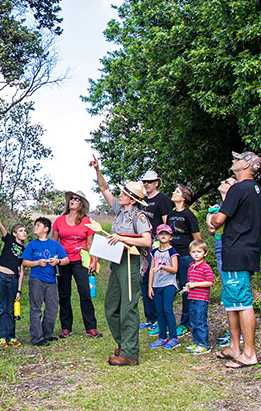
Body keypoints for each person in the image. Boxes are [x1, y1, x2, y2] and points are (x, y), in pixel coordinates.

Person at [91, 156, 152, 366]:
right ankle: (124, 344)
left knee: (128, 308)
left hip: (131, 263)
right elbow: (104, 189)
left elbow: (146, 240)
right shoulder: (118, 210)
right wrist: (98, 170)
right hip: (116, 262)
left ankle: (130, 353)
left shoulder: (139, 216)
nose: (120, 195)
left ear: (133, 199)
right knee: (110, 307)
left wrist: (122, 238)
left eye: (125, 193)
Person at [210, 151, 261, 369]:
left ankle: (249, 353)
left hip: (236, 250)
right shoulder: (257, 190)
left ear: (246, 165)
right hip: (249, 249)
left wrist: (213, 219)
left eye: (237, 159)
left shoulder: (238, 188)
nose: (233, 161)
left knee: (243, 301)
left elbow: (218, 220)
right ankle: (234, 346)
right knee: (232, 301)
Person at [51, 190, 101, 338]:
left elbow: (91, 243)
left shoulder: (87, 221)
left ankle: (91, 327)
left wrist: (94, 260)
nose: (72, 201)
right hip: (63, 260)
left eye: (77, 199)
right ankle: (66, 327)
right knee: (64, 294)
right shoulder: (59, 220)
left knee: (85, 292)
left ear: (82, 204)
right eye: (71, 199)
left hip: (80, 260)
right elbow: (54, 241)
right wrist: (52, 260)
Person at [21, 216, 69, 346]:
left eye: (38, 225)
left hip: (51, 281)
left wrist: (57, 261)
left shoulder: (55, 245)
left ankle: (46, 335)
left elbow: (66, 260)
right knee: (36, 309)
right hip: (36, 280)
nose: (35, 228)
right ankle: (37, 338)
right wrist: (37, 262)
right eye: (35, 226)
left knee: (52, 309)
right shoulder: (32, 245)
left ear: (46, 229)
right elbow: (24, 262)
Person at [0, 202, 27, 348]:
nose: (24, 232)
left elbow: (22, 270)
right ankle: (0, 337)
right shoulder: (9, 240)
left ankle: (11, 336)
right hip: (1, 277)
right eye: (21, 230)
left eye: (25, 231)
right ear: (15, 233)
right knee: (0, 308)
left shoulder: (24, 249)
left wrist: (19, 289)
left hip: (13, 279)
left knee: (10, 309)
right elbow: (0, 226)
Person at [138, 169, 171, 334]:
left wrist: (163, 243)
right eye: (144, 182)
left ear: (156, 183)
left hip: (157, 243)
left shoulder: (162, 199)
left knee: (156, 279)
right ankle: (149, 317)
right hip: (143, 244)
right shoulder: (142, 200)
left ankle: (160, 319)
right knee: (144, 280)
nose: (146, 184)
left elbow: (167, 222)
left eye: (149, 182)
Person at [166, 184, 201, 337]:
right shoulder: (170, 214)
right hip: (170, 255)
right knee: (169, 288)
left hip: (185, 257)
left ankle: (186, 323)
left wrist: (196, 257)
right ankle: (166, 321)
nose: (174, 193)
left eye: (177, 191)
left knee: (185, 289)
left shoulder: (189, 215)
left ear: (184, 197)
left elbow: (197, 238)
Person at [208, 177, 235, 347]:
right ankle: (233, 333)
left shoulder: (233, 204)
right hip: (219, 247)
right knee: (226, 289)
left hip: (230, 246)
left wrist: (215, 220)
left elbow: (215, 221)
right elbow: (211, 228)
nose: (223, 181)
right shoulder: (219, 207)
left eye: (229, 181)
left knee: (233, 288)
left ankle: (236, 335)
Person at [148, 223, 180, 349]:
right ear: (157, 236)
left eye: (166, 234)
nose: (163, 236)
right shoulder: (154, 252)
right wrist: (150, 286)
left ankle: (173, 337)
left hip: (168, 284)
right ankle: (162, 337)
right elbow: (151, 270)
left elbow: (175, 269)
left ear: (170, 237)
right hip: (157, 285)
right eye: (161, 234)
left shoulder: (172, 251)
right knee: (159, 311)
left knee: (167, 310)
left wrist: (162, 266)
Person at [182, 239, 215, 355]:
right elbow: (191, 281)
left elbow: (210, 282)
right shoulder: (191, 266)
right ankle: (196, 342)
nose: (196, 254)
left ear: (204, 253)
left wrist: (195, 284)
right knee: (194, 320)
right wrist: (189, 287)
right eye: (194, 252)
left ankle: (204, 344)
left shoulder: (205, 267)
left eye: (199, 252)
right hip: (192, 297)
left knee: (200, 321)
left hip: (201, 299)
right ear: (190, 253)